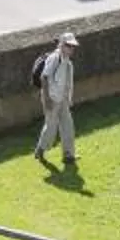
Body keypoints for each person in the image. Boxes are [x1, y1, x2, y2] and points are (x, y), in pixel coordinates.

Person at [33, 30, 79, 168]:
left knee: (68, 126)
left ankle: (68, 155)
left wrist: (68, 98)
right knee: (51, 128)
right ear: (62, 45)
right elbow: (44, 77)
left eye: (73, 46)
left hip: (62, 99)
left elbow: (66, 81)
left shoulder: (67, 60)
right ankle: (40, 149)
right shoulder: (54, 58)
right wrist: (46, 99)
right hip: (52, 98)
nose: (71, 49)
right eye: (69, 46)